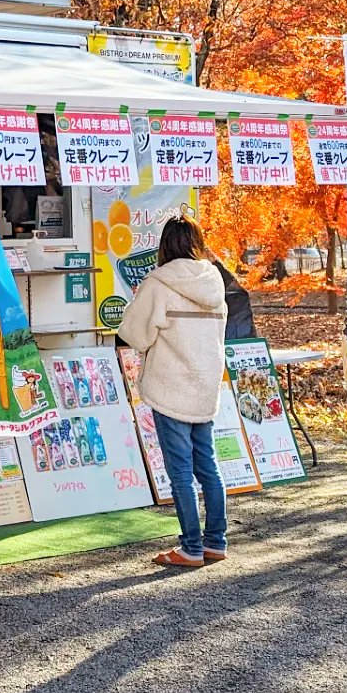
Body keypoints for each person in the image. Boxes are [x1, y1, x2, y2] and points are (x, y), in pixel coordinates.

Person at [118, 216, 229, 570]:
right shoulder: (214, 281)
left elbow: (136, 334)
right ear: (197, 241)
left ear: (165, 244)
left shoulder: (158, 283)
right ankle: (215, 542)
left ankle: (191, 548)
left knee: (180, 471)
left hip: (170, 386)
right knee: (208, 465)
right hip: (205, 385)